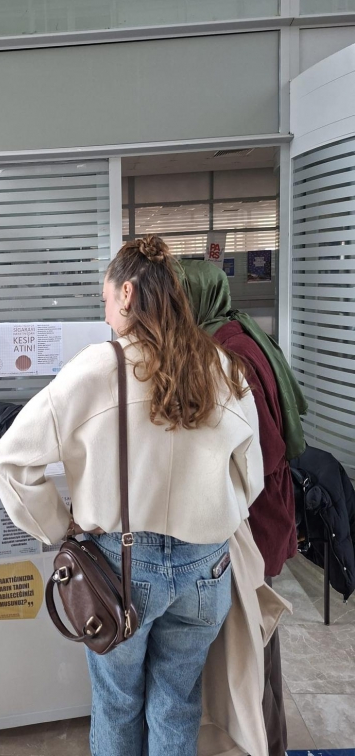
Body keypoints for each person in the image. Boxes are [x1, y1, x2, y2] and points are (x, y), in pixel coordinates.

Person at [0, 234, 265, 756]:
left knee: (117, 702)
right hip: (205, 567)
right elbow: (250, 475)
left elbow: (10, 463)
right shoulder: (221, 366)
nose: (105, 313)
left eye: (105, 298)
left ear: (127, 293)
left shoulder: (96, 368)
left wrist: (60, 528)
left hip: (119, 565)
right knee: (178, 700)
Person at [179, 258, 308, 756]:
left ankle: (268, 744)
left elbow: (264, 450)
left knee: (254, 646)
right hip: (263, 511)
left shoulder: (228, 351)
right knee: (258, 641)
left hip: (255, 517)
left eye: (176, 298)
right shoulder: (236, 332)